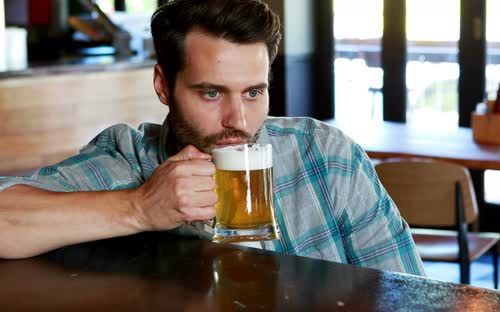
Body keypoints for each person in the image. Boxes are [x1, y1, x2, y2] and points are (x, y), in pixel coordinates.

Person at [0, 0, 424, 275]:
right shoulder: (130, 160)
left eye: (254, 92)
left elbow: (406, 294)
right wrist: (139, 207)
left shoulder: (327, 155)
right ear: (163, 86)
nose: (237, 119)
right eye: (211, 92)